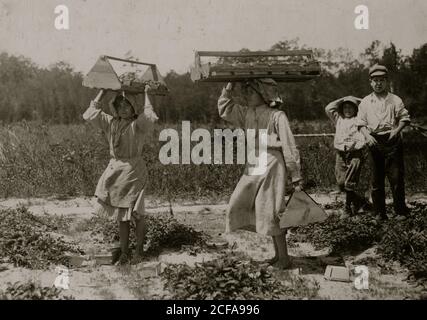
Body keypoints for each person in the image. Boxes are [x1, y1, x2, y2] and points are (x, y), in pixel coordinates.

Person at [218, 79, 303, 269]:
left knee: (272, 209)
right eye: (246, 91)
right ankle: (277, 255)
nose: (247, 95)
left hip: (272, 162)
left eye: (251, 92)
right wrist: (228, 87)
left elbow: (289, 145)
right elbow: (225, 109)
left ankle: (283, 258)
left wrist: (295, 174)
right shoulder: (246, 112)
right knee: (242, 204)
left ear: (264, 95)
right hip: (254, 161)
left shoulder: (277, 116)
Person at [83, 85, 159, 264]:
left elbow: (149, 116)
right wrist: (103, 91)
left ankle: (139, 251)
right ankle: (125, 252)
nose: (123, 109)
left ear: (134, 108)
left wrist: (147, 94)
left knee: (137, 214)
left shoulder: (137, 124)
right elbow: (90, 113)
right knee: (121, 217)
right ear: (115, 108)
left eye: (127, 106)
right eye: (120, 106)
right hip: (115, 171)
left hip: (134, 170)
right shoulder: (111, 122)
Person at [357, 64, 411, 221]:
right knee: (376, 180)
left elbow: (404, 118)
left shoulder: (395, 99)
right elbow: (360, 123)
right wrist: (367, 136)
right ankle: (379, 213)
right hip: (374, 140)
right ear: (370, 82)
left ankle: (400, 211)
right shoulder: (365, 102)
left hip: (392, 139)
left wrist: (397, 130)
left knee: (396, 178)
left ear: (386, 81)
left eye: (381, 80)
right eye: (375, 80)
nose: (378, 83)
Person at [325, 96, 368, 218]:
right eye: (345, 107)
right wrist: (344, 98)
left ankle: (348, 208)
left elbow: (366, 105)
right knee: (341, 182)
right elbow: (328, 108)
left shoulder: (359, 119)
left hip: (355, 154)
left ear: (356, 109)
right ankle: (360, 201)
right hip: (341, 154)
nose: (348, 110)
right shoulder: (338, 119)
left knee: (350, 182)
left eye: (351, 107)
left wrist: (354, 99)